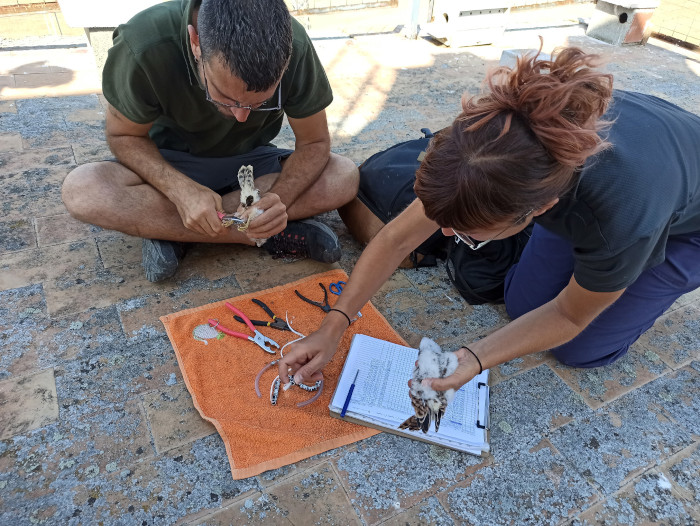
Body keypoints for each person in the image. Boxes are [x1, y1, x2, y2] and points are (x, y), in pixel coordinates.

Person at [278, 46, 700, 394]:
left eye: (466, 234)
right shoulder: (479, 142)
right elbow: (395, 241)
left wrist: (474, 358)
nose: (444, 235)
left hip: (686, 228)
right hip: (625, 163)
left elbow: (570, 316)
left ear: (539, 210)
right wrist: (335, 323)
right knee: (521, 306)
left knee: (578, 347)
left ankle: (645, 269)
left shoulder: (620, 221)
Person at [61, 0, 359, 282]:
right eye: (225, 97)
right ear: (195, 43)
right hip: (169, 163)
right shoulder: (142, 44)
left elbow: (315, 143)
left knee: (342, 176)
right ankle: (257, 234)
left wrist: (274, 200)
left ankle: (176, 233)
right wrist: (180, 191)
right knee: (84, 190)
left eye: (259, 103)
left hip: (251, 165)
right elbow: (123, 135)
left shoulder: (294, 44)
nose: (241, 116)